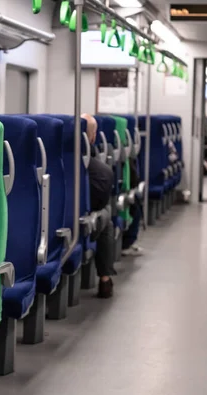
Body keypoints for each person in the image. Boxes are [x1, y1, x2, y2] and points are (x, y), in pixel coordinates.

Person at [82, 114, 116, 298]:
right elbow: (98, 204)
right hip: (82, 227)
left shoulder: (47, 162)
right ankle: (104, 278)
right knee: (107, 215)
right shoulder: (102, 172)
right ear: (93, 137)